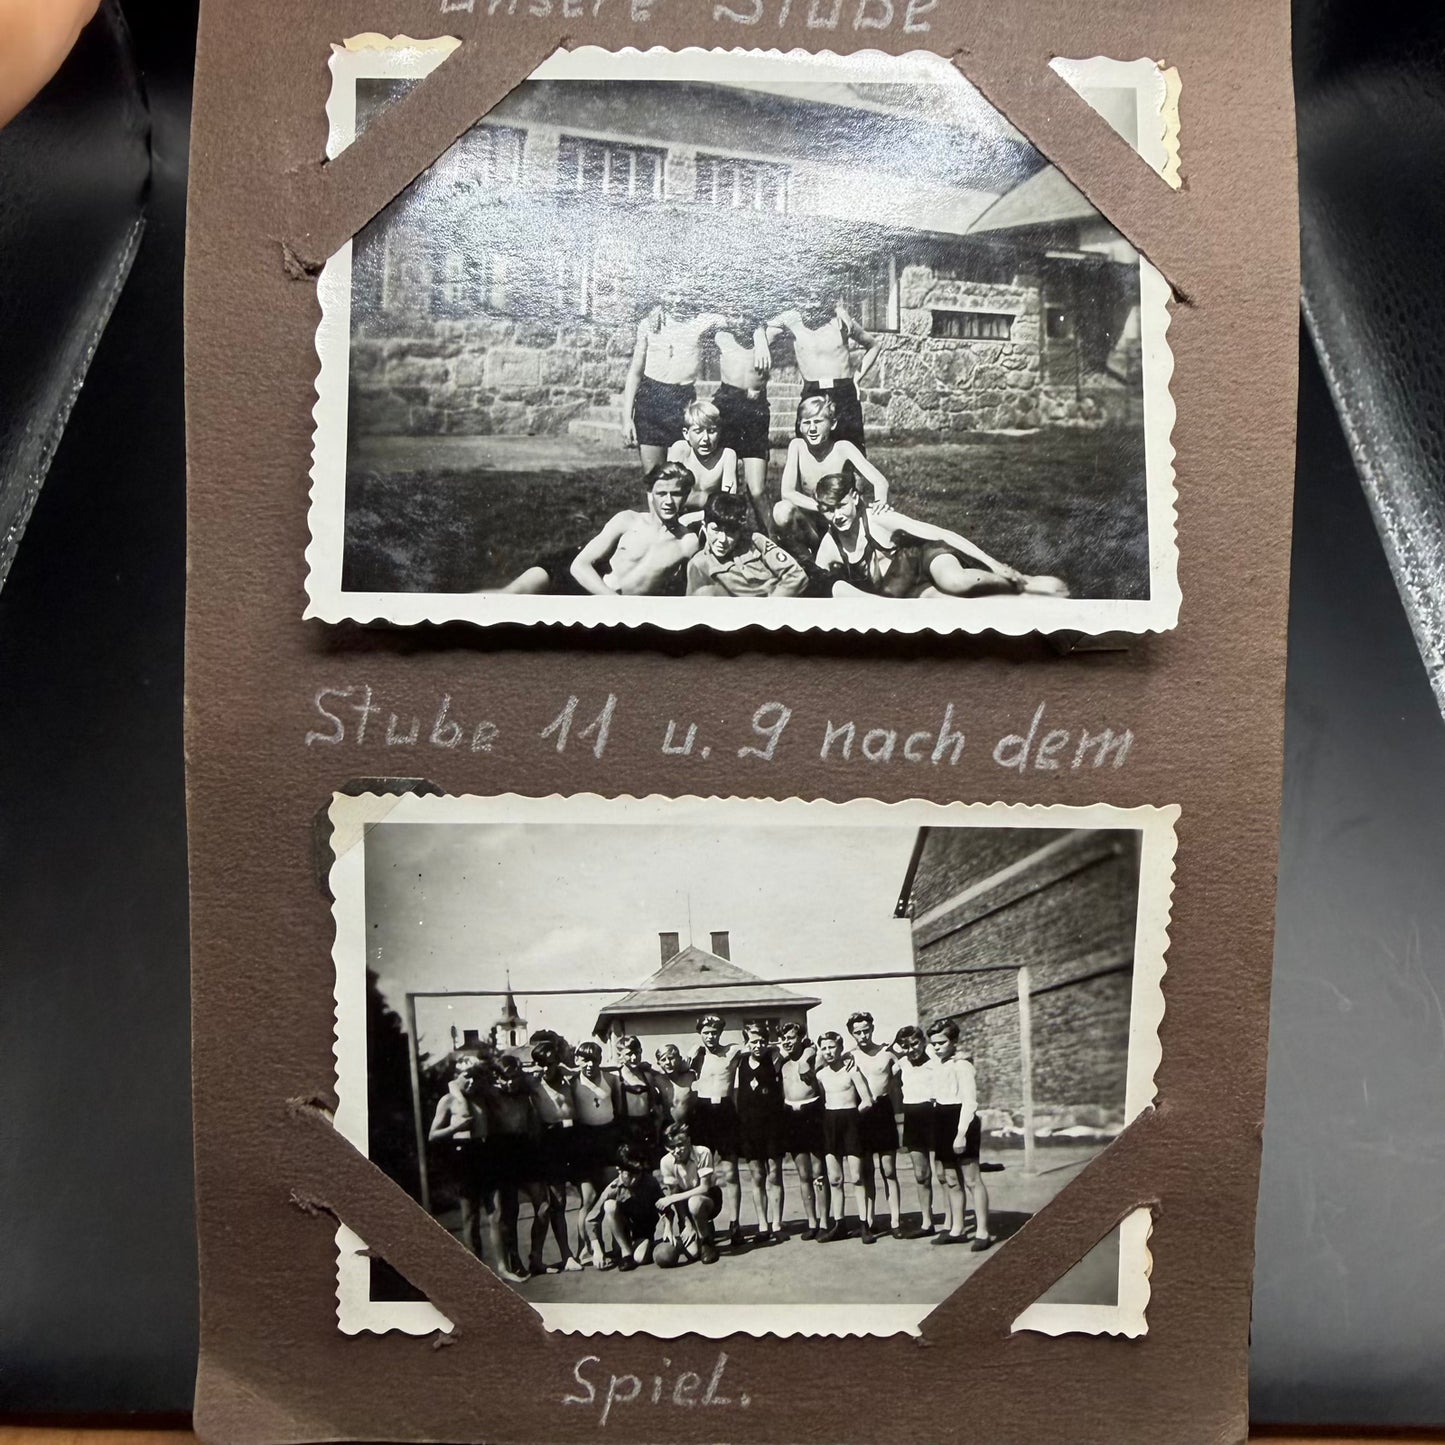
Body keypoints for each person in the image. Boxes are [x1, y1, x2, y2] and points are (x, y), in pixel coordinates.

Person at [813, 470, 1069, 601]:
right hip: (903, 586)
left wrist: (993, 563)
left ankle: (1021, 583)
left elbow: (940, 533)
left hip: (923, 558)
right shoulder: (830, 546)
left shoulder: (879, 518)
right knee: (951, 607)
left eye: (841, 506)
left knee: (955, 581)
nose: (837, 516)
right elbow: (815, 587)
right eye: (828, 510)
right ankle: (1020, 599)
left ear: (855, 497)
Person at [502, 462, 700, 597]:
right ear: (650, 493)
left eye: (676, 494)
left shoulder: (687, 542)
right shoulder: (628, 521)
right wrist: (613, 601)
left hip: (607, 605)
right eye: (661, 493)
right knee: (505, 597)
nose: (668, 501)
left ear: (686, 495)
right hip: (580, 579)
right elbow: (579, 565)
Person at [621, 289, 756, 474]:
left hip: (682, 401)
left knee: (682, 473)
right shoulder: (649, 324)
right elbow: (635, 373)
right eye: (671, 293)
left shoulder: (702, 321)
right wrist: (626, 419)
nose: (677, 301)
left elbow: (744, 317)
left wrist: (761, 341)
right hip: (650, 399)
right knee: (653, 475)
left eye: (682, 293)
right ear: (661, 295)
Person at [773, 394, 892, 554]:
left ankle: (854, 552)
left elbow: (880, 482)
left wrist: (880, 504)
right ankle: (807, 562)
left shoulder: (843, 448)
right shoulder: (797, 446)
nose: (812, 429)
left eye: (818, 422)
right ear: (800, 426)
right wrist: (823, 507)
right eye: (806, 423)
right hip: (813, 525)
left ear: (833, 424)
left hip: (843, 523)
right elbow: (787, 493)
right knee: (781, 510)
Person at [763, 294, 881, 452]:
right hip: (813, 392)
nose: (810, 305)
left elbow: (873, 345)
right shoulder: (792, 322)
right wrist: (760, 341)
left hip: (844, 392)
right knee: (810, 451)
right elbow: (763, 333)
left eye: (815, 298)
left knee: (853, 451)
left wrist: (857, 378)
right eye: (804, 298)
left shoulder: (841, 322)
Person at [427, 1054, 504, 1271]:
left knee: (496, 1211)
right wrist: (455, 1128)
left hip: (485, 1152)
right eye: (465, 1077)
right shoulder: (448, 1100)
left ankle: (502, 1266)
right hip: (464, 1154)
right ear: (456, 1076)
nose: (471, 1082)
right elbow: (433, 1135)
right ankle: (477, 1268)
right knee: (471, 1215)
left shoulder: (482, 1098)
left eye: (475, 1077)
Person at [480, 1054, 551, 1280]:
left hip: (525, 1149)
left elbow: (537, 1076)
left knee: (544, 1206)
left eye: (514, 1077)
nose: (510, 1082)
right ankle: (510, 1264)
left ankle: (535, 1258)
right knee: (506, 1212)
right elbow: (461, 1083)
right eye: (505, 1078)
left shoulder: (524, 1089)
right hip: (500, 1151)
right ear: (497, 1078)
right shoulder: (490, 1093)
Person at [926, 1018, 993, 1251]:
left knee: (972, 1179)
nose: (937, 1047)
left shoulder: (962, 1066)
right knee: (951, 1179)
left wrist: (961, 1133)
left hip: (961, 1119)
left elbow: (970, 1102)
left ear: (954, 1041)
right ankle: (957, 1229)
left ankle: (983, 1232)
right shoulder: (937, 1062)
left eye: (942, 1043)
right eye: (934, 1043)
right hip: (941, 1119)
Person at [711, 319, 776, 533]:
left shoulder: (769, 335)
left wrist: (760, 333)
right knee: (724, 485)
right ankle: (724, 535)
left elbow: (796, 316)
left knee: (757, 490)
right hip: (725, 408)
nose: (740, 318)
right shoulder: (721, 334)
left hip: (755, 411)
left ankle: (773, 540)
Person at [685, 492, 809, 599]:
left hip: (774, 606)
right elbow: (694, 605)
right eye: (716, 530)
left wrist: (770, 605)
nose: (722, 540)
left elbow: (796, 575)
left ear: (740, 530)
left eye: (731, 532)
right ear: (704, 526)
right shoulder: (698, 563)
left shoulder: (755, 541)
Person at [526, 1040, 583, 1272]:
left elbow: (590, 1068)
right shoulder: (532, 1082)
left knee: (577, 1198)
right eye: (541, 1063)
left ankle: (581, 1251)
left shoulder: (567, 1077)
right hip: (549, 1142)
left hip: (573, 1138)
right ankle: (549, 1257)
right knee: (551, 1204)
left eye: (550, 1063)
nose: (546, 1068)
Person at [846, 1011, 904, 1238]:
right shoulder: (849, 1056)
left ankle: (896, 1221)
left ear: (872, 1029)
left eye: (866, 1030)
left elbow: (905, 1069)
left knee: (889, 1170)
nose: (863, 1036)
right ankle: (868, 1222)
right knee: (866, 1171)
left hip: (883, 1110)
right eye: (857, 1032)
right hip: (861, 1113)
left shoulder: (887, 1053)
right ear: (851, 1033)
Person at [814, 1030, 876, 1243]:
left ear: (840, 1048)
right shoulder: (821, 1075)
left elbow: (867, 1100)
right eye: (824, 1048)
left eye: (832, 1047)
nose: (828, 1051)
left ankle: (864, 1224)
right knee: (834, 1179)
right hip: (830, 1124)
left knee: (857, 1177)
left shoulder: (852, 1071)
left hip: (851, 1123)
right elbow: (822, 1099)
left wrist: (853, 1118)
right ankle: (839, 1225)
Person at [690, 1014, 744, 1249]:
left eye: (714, 1032)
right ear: (700, 1033)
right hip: (703, 1114)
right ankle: (705, 1222)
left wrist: (808, 1051)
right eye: (706, 1033)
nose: (710, 1037)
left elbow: (765, 1048)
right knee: (704, 1173)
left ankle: (735, 1223)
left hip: (725, 1112)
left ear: (720, 1032)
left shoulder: (732, 1051)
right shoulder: (695, 1055)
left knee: (730, 1172)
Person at [734, 1022, 787, 1245]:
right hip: (749, 1128)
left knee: (774, 1174)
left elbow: (803, 1046)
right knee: (757, 1176)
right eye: (753, 1042)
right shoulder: (739, 1062)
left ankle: (777, 1224)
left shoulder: (774, 1059)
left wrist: (770, 1045)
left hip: (772, 1127)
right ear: (746, 1042)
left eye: (762, 1041)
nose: (758, 1046)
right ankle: (762, 1225)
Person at [571, 1040, 623, 1260]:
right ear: (577, 1060)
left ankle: (618, 1244)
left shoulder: (611, 1079)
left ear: (600, 1060)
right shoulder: (572, 1082)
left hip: (608, 1139)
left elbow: (619, 1111)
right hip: (585, 1141)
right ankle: (587, 1248)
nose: (590, 1064)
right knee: (589, 1198)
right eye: (585, 1060)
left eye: (594, 1060)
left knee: (612, 1193)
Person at [777, 1022, 829, 1240]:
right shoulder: (783, 1064)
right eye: (784, 1038)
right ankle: (812, 1222)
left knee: (818, 1172)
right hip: (791, 1116)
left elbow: (821, 1051)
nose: (787, 1042)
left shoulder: (814, 1058)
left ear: (801, 1038)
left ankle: (825, 1222)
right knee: (803, 1174)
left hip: (812, 1113)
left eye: (791, 1037)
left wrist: (807, 1056)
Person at [583, 1142, 663, 1271]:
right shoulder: (613, 1188)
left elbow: (664, 1206)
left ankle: (640, 1248)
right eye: (630, 1174)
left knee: (640, 1258)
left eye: (638, 1173)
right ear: (619, 1170)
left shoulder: (650, 1182)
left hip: (643, 1232)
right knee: (609, 1205)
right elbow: (591, 1219)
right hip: (623, 1233)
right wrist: (597, 1249)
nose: (635, 1179)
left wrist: (668, 1228)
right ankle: (626, 1254)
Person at [892, 1025, 939, 1239]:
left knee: (944, 1175)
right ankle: (927, 1222)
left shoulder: (935, 1062)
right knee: (921, 1175)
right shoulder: (901, 1064)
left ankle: (951, 1221)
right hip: (913, 1118)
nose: (911, 1050)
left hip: (934, 1116)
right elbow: (880, 1067)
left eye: (915, 1044)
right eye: (906, 1046)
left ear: (924, 1042)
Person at [656, 1123, 722, 1265]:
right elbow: (674, 1192)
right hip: (685, 1205)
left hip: (708, 1198)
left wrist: (673, 1198)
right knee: (693, 1253)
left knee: (695, 1202)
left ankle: (706, 1241)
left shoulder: (703, 1152)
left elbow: (704, 1187)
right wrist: (685, 1223)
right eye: (671, 1147)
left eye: (680, 1145)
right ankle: (698, 1227)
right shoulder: (666, 1162)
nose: (676, 1151)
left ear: (688, 1141)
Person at [666, 398, 740, 509]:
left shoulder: (727, 455)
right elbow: (667, 493)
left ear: (720, 432)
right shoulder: (680, 450)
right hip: (680, 514)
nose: (705, 438)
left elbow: (728, 502)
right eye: (698, 431)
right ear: (686, 434)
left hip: (712, 516)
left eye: (712, 431)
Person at [614, 1034, 666, 1165]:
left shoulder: (647, 1076)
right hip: (626, 1126)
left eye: (637, 1053)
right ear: (620, 1055)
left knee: (648, 1164)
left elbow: (653, 1102)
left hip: (646, 1125)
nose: (634, 1057)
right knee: (629, 1164)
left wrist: (657, 1124)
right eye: (628, 1054)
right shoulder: (615, 1077)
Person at [653, 1043, 697, 1128]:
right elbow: (642, 1067)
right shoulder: (658, 1079)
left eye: (671, 1058)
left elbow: (698, 1050)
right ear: (659, 1063)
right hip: (667, 1128)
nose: (667, 1062)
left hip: (688, 1126)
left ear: (679, 1059)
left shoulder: (690, 1076)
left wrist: (686, 1063)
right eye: (663, 1060)